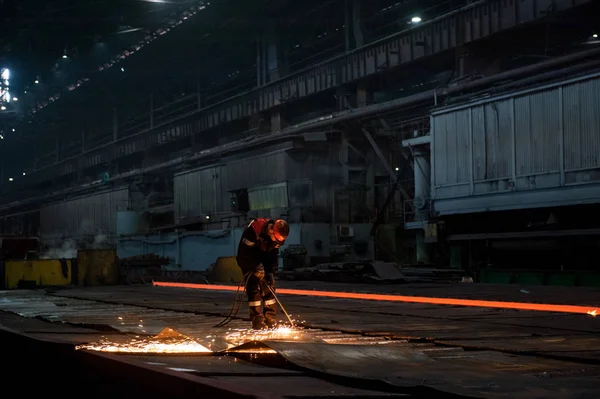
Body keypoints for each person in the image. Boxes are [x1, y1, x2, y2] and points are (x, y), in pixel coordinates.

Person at [236, 218, 289, 329]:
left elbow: (272, 255)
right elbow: (244, 253)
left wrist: (270, 271)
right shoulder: (254, 230)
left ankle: (270, 319)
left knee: (269, 288)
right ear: (271, 231)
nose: (277, 242)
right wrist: (255, 267)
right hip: (248, 260)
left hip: (263, 259)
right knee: (253, 288)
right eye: (276, 240)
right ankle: (257, 319)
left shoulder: (276, 239)